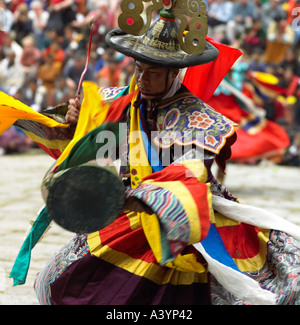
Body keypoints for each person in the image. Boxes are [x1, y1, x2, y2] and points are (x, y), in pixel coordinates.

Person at [10, 0, 300, 305]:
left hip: (183, 217)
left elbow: (191, 175)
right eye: (139, 69)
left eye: (153, 72)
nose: (142, 79)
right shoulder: (121, 101)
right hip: (124, 211)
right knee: (60, 282)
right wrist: (78, 122)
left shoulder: (198, 119)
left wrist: (143, 196)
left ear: (173, 73)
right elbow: (92, 149)